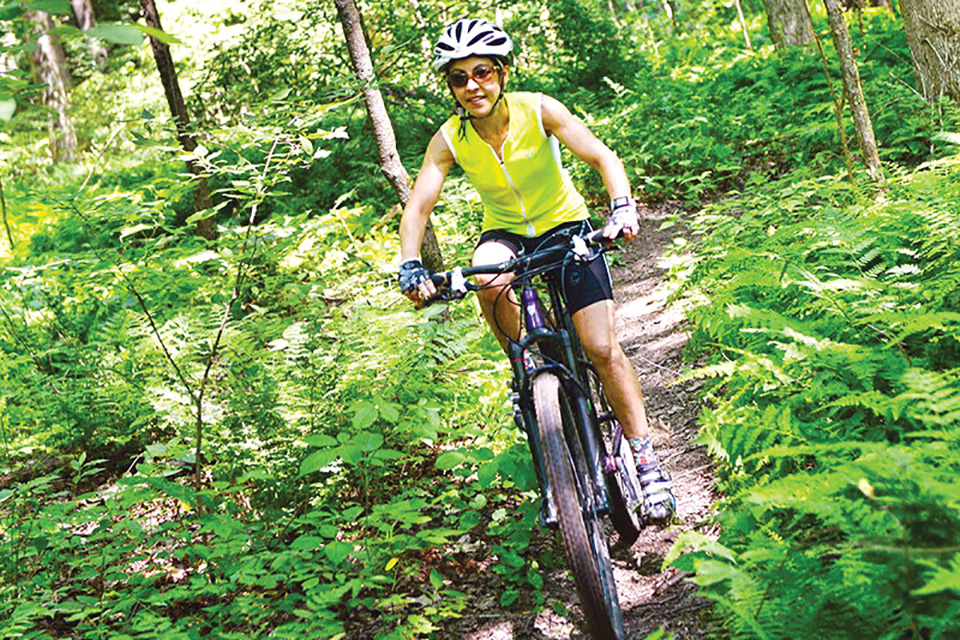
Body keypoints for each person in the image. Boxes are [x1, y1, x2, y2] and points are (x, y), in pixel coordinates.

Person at [397, 18, 675, 522]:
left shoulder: (539, 109)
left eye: (481, 72)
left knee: (601, 347)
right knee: (484, 272)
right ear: (450, 87)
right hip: (506, 233)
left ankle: (645, 457)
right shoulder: (450, 138)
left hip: (566, 227)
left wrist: (622, 206)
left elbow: (602, 156)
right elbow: (418, 206)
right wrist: (410, 264)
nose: (472, 86)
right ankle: (524, 369)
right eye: (459, 78)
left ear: (503, 72)